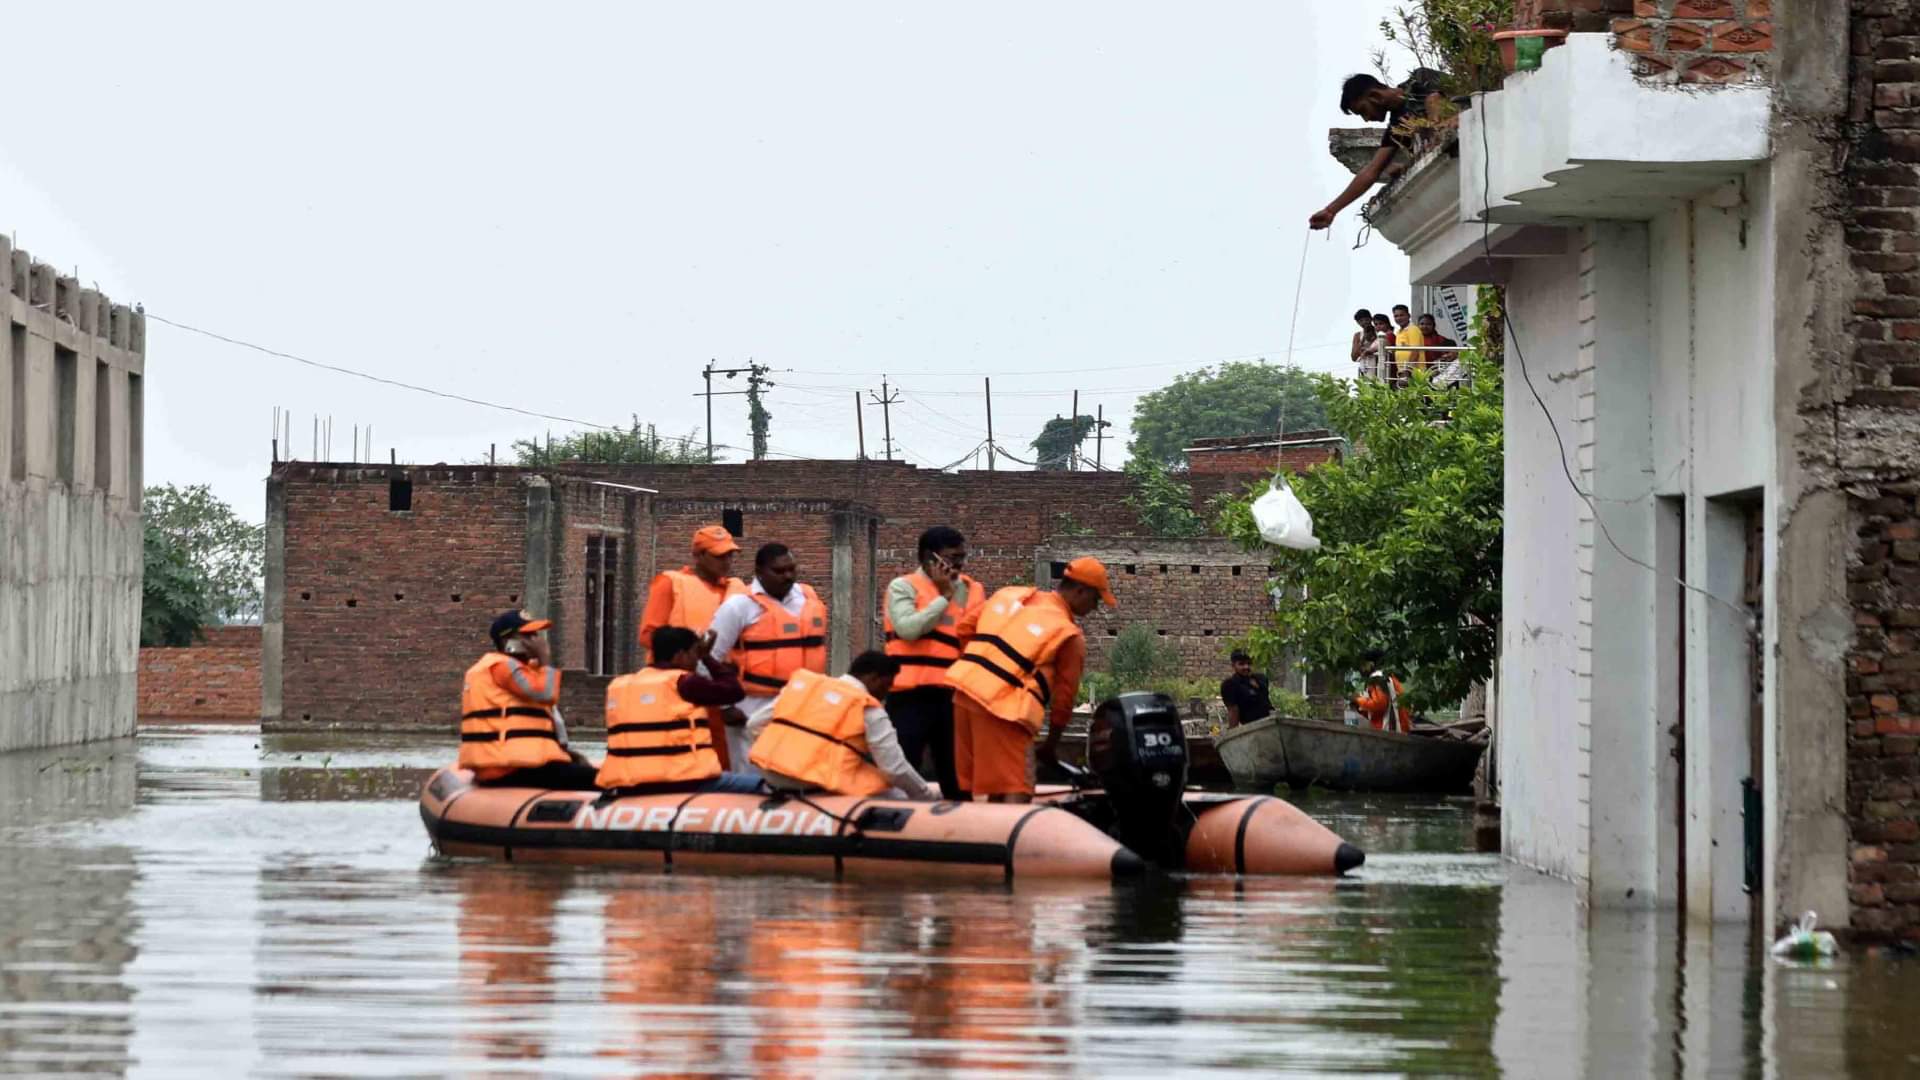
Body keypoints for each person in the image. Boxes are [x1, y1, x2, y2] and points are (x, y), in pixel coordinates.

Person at [945, 557, 1112, 803]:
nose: (1095, 608)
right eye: (1096, 600)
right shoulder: (1068, 635)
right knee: (1019, 787)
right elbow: (1064, 701)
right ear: (1080, 591)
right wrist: (1050, 746)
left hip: (963, 697)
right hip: (1005, 710)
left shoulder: (1009, 595)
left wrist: (982, 674)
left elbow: (964, 629)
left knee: (988, 789)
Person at [748, 651, 940, 800]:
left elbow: (753, 724)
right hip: (812, 783)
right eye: (886, 685)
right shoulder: (868, 708)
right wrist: (925, 796)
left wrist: (783, 753)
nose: (886, 693)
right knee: (895, 790)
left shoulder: (805, 687)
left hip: (771, 775)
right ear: (873, 678)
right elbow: (894, 769)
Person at [597, 625, 765, 794]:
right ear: (679, 656)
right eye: (694, 654)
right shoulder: (684, 682)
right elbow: (734, 691)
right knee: (763, 786)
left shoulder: (619, 685)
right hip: (684, 781)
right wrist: (707, 657)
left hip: (628, 785)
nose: (696, 661)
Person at [709, 542, 829, 776]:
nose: (788, 576)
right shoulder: (739, 606)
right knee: (752, 776)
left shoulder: (808, 598)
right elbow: (708, 657)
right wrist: (724, 706)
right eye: (779, 571)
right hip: (752, 706)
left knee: (797, 773)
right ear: (759, 572)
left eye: (791, 569)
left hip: (801, 703)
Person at [882, 525, 983, 800]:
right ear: (930, 557)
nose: (960, 564)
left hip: (954, 694)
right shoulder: (903, 587)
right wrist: (943, 597)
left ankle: (960, 818)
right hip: (909, 695)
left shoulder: (971, 590)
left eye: (962, 557)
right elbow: (908, 629)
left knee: (956, 771)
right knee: (905, 764)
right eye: (952, 557)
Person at [637, 524, 750, 767]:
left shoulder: (738, 590)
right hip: (681, 688)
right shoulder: (671, 583)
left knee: (723, 759)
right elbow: (648, 636)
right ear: (698, 556)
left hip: (722, 687)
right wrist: (690, 647)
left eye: (730, 555)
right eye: (719, 556)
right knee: (680, 754)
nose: (727, 561)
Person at [459, 610, 601, 789]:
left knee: (583, 771)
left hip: (516, 764)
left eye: (536, 634)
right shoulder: (502, 666)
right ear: (508, 641)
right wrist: (545, 658)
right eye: (528, 635)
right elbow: (545, 694)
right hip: (511, 767)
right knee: (603, 780)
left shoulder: (521, 669)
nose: (537, 640)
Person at [1308, 69, 1450, 232]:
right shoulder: (1398, 125)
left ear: (1375, 96)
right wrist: (1331, 210)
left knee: (1433, 100)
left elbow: (1458, 92)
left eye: (1363, 110)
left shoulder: (1421, 79)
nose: (1366, 119)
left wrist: (1436, 126)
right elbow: (1371, 171)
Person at [1352, 650, 1413, 734]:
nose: (1360, 669)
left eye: (1362, 665)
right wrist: (1359, 706)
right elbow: (1377, 710)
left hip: (1388, 730)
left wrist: (1358, 699)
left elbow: (1379, 704)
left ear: (1371, 664)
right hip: (1400, 728)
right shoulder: (1389, 677)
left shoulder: (1377, 678)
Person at [1220, 650, 1272, 728]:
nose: (1246, 667)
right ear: (1233, 665)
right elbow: (1233, 710)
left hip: (1270, 721)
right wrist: (1233, 732)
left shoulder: (1261, 679)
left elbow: (1265, 700)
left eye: (1249, 663)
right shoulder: (1230, 684)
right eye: (1241, 664)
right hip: (1251, 726)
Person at [1391, 304, 1426, 376]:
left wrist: (1408, 370)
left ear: (1409, 316)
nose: (1399, 318)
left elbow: (1415, 352)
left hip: (1414, 373)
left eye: (1401, 315)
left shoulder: (1413, 329)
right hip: (1403, 371)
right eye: (1396, 316)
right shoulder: (1398, 332)